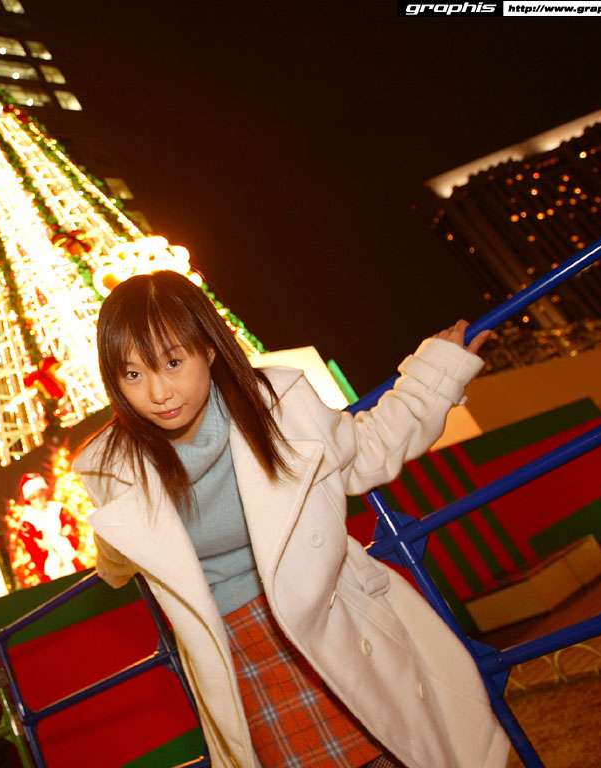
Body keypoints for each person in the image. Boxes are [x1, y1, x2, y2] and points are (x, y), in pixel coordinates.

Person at [73, 270, 509, 768]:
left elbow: (365, 449)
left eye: (173, 363)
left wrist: (439, 372)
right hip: (233, 651)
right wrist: (112, 559)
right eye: (132, 375)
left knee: (388, 754)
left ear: (208, 350)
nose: (158, 392)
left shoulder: (275, 405)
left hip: (326, 617)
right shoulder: (112, 466)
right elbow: (119, 555)